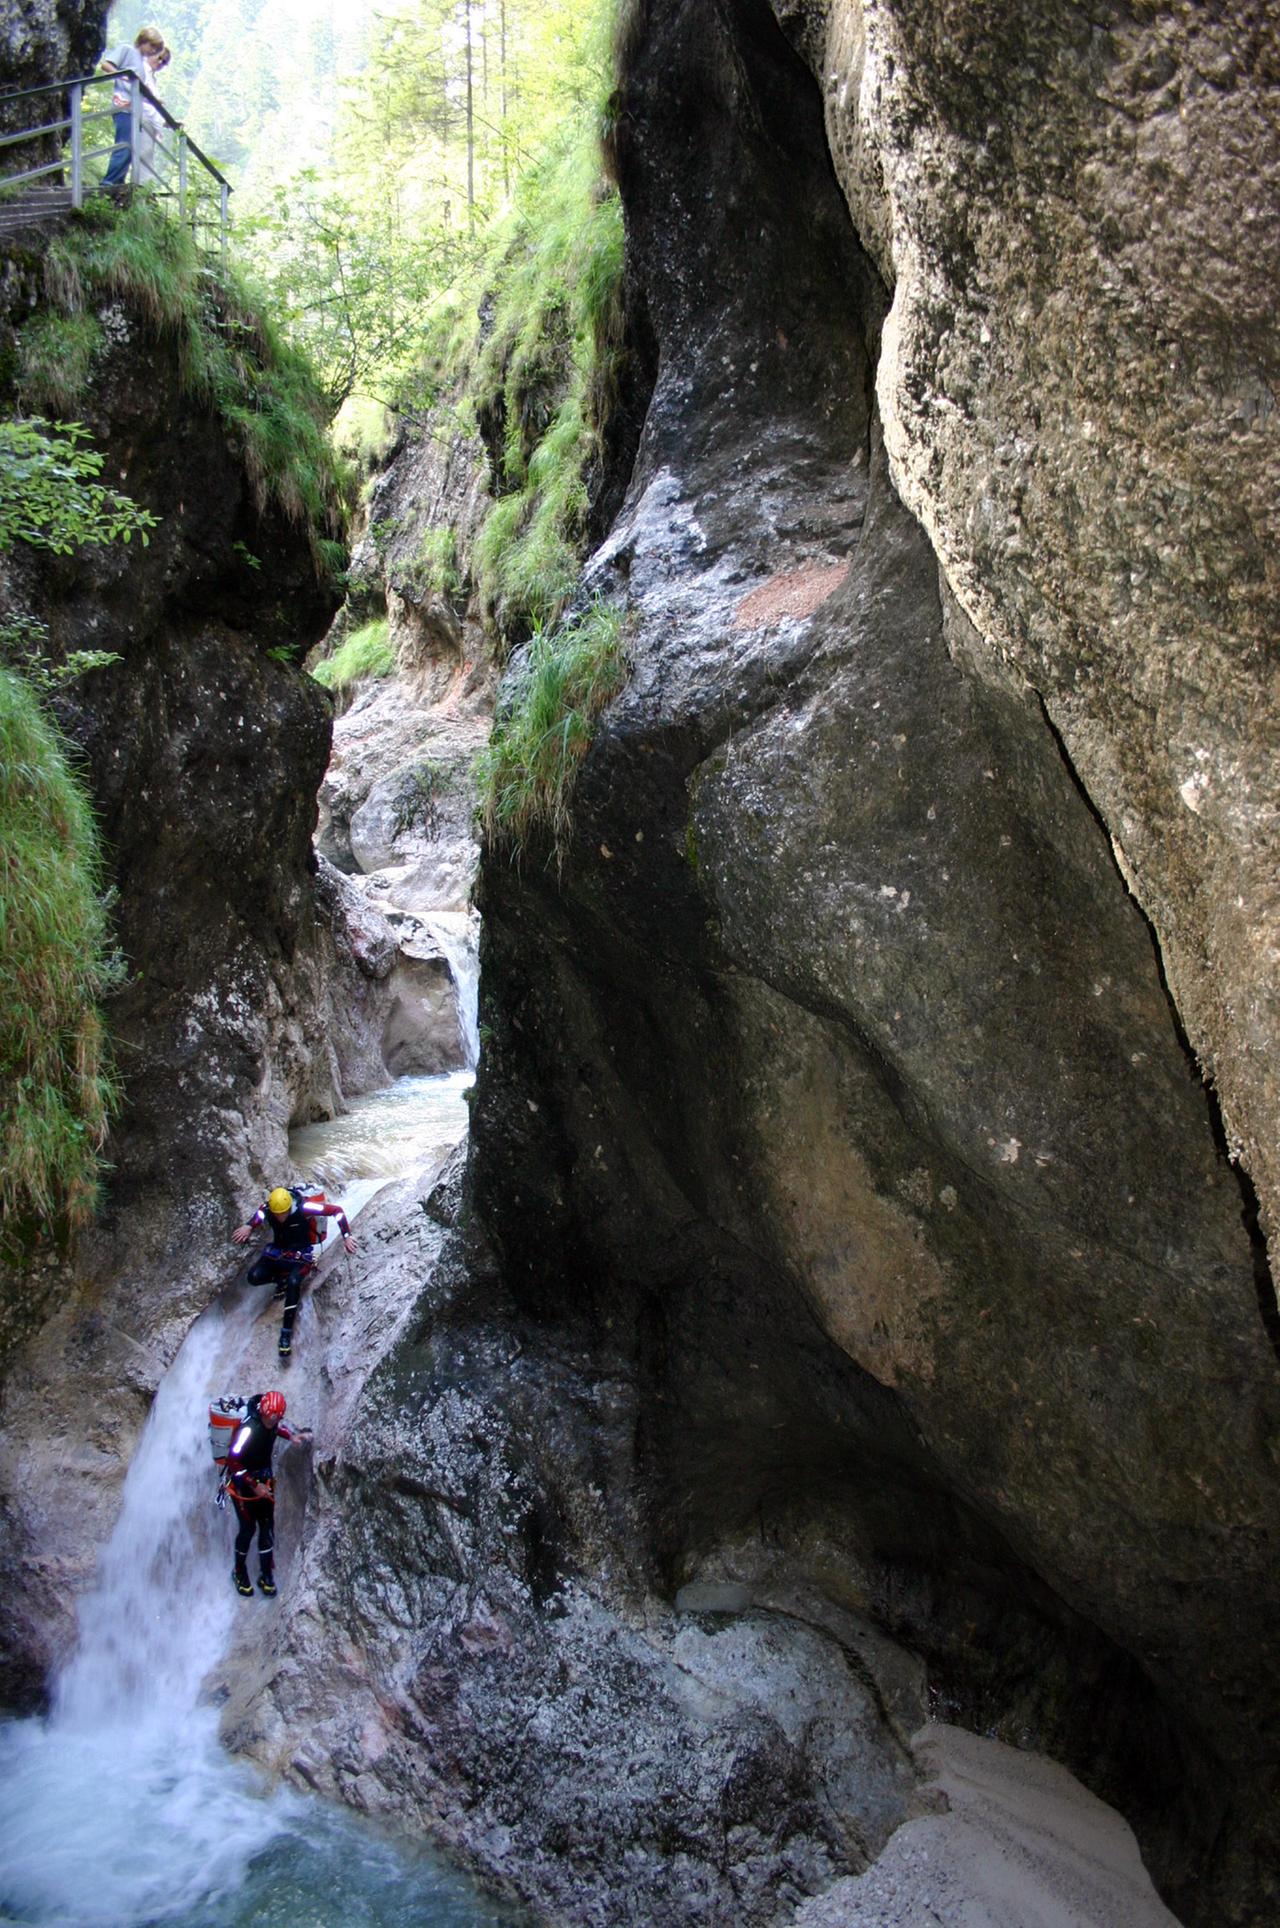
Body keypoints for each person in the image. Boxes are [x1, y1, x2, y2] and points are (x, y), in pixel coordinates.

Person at [232, 1185, 358, 1358]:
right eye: (277, 1214)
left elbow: (337, 1211)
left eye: (282, 1213)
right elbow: (261, 1212)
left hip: (300, 1256)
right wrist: (249, 1226)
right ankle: (280, 1281)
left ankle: (286, 1332)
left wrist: (347, 1236)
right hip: (279, 1253)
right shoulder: (270, 1208)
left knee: (294, 1282)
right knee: (253, 1277)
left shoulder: (305, 1208)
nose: (280, 1217)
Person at [223, 1390, 311, 1598]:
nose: (275, 1420)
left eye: (277, 1417)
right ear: (265, 1413)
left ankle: (265, 1574)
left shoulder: (270, 1424)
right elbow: (233, 1462)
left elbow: (275, 1430)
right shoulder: (247, 1430)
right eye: (274, 1417)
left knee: (266, 1525)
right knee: (247, 1528)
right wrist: (254, 1485)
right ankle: (239, 1571)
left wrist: (292, 1436)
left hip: (263, 1479)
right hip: (242, 1484)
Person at [100, 26, 166, 191]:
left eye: (155, 49)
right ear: (143, 41)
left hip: (134, 109)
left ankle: (117, 183)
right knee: (124, 146)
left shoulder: (140, 63)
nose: (152, 52)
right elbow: (106, 65)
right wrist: (122, 76)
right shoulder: (127, 50)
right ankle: (108, 183)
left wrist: (154, 100)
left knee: (129, 148)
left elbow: (138, 89)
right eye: (152, 47)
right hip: (123, 106)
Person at [136, 45, 172, 188]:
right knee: (144, 154)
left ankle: (145, 188)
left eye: (164, 62)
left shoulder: (151, 76)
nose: (160, 63)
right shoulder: (142, 70)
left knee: (146, 154)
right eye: (160, 58)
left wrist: (164, 123)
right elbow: (141, 97)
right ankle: (143, 189)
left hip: (148, 120)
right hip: (141, 118)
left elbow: (153, 107)